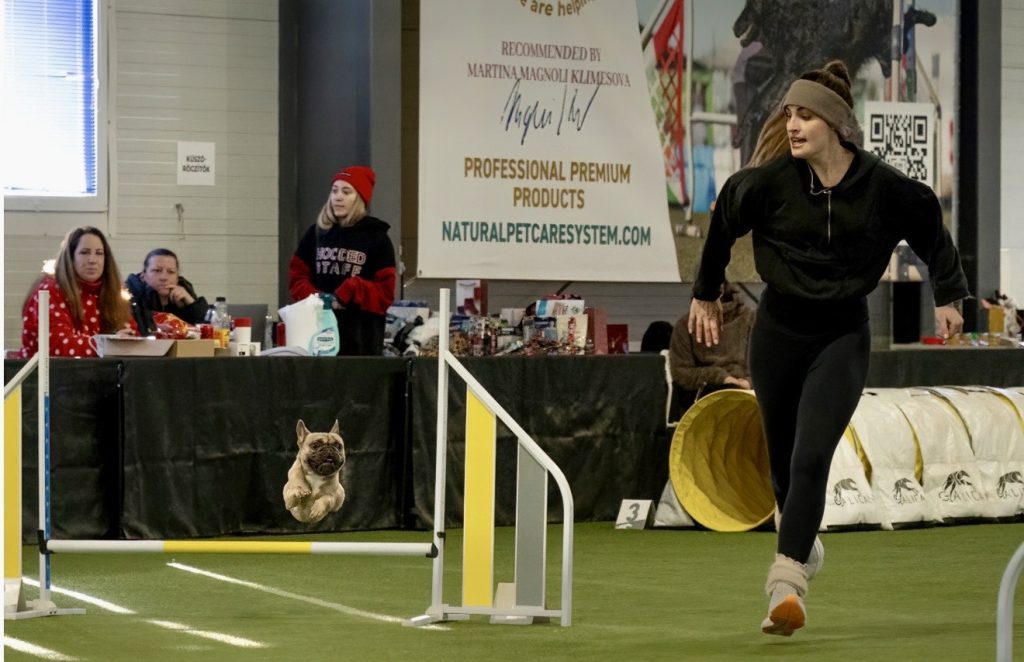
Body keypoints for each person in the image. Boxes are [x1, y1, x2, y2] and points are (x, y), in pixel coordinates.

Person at [688, 61, 968, 637]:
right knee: (784, 470)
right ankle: (804, 543)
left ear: (837, 126)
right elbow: (725, 217)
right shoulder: (768, 184)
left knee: (812, 455)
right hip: (777, 333)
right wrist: (706, 291)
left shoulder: (884, 189)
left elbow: (929, 225)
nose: (792, 125)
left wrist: (949, 294)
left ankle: (786, 586)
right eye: (789, 114)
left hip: (841, 335)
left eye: (806, 116)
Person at [288, 165, 397, 356]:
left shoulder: (377, 238)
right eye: (334, 190)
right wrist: (318, 299)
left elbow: (385, 294)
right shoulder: (316, 234)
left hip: (360, 341)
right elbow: (296, 279)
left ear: (359, 198)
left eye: (346, 192)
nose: (338, 197)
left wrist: (353, 288)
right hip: (316, 336)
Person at [18, 226, 136, 358]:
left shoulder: (115, 291)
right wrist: (109, 345)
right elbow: (56, 345)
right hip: (49, 370)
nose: (92, 260)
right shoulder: (50, 289)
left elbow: (130, 336)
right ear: (70, 257)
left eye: (99, 253)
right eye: (84, 252)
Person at [669, 281, 754, 411]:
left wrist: (747, 382)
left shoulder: (750, 319)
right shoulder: (685, 326)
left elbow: (764, 364)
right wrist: (720, 378)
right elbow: (681, 372)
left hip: (749, 398)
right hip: (705, 400)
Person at [125, 248, 209, 335]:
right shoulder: (129, 299)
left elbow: (207, 331)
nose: (164, 277)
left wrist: (192, 304)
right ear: (143, 276)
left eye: (171, 272)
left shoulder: (185, 296)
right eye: (157, 270)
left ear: (177, 278)